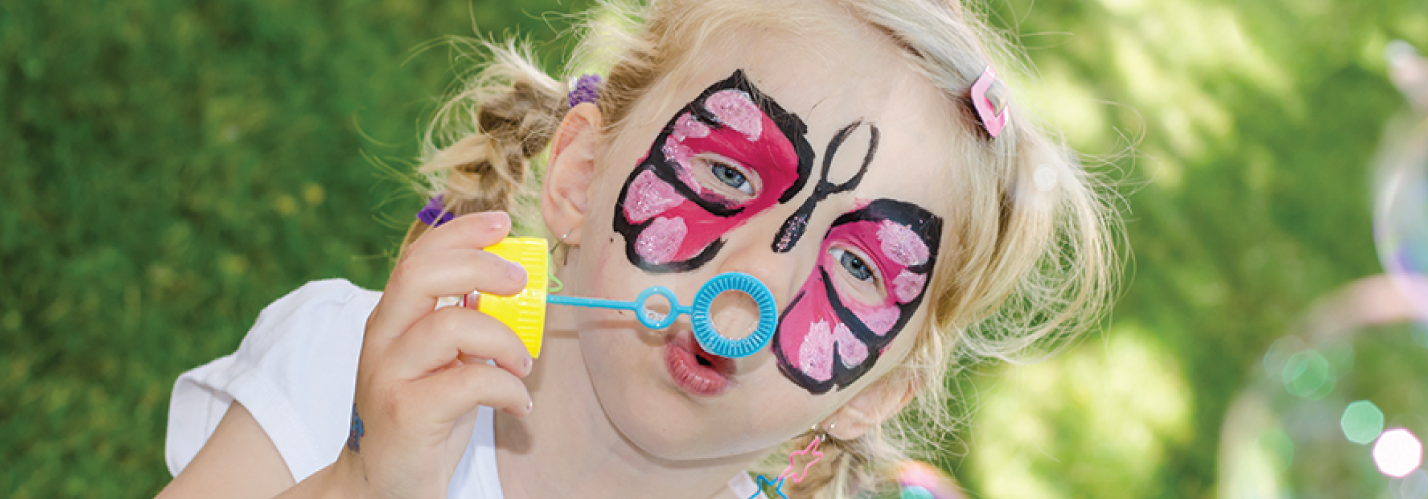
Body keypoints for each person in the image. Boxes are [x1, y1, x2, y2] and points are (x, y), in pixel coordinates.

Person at [155, 0, 1120, 498]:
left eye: (857, 266)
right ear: (581, 175)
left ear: (876, 390)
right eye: (729, 173)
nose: (756, 279)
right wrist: (363, 487)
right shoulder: (356, 383)